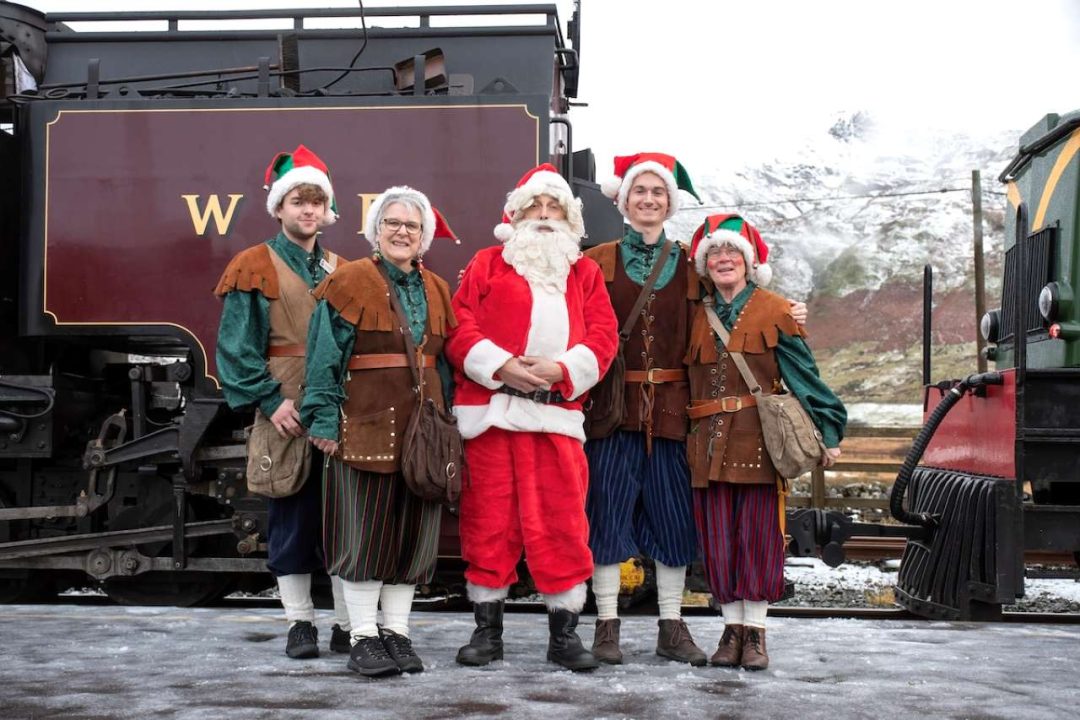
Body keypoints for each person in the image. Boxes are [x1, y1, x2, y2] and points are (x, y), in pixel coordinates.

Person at [584, 153, 809, 666]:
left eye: (657, 192)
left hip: (674, 414)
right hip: (612, 410)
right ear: (622, 199)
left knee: (673, 523)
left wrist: (790, 310)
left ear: (670, 202)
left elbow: (740, 299)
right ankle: (605, 627)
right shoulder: (594, 261)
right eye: (639, 190)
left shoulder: (691, 263)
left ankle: (671, 626)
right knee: (607, 517)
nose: (648, 199)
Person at [446, 164, 619, 672]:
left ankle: (563, 637)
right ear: (515, 216)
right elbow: (459, 327)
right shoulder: (486, 264)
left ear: (569, 219)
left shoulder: (584, 272)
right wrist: (499, 366)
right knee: (488, 522)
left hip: (555, 420)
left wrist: (561, 368)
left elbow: (603, 338)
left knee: (561, 524)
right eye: (534, 209)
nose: (544, 218)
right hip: (493, 418)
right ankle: (487, 633)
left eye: (554, 210)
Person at [299, 186, 457, 678]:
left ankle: (397, 632)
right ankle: (363, 636)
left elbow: (445, 365)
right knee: (364, 535)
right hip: (362, 426)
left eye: (412, 225)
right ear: (375, 230)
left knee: (412, 538)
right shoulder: (348, 281)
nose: (402, 232)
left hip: (423, 433)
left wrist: (449, 424)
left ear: (425, 236)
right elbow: (323, 357)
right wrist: (322, 419)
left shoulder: (437, 288)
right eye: (392, 223)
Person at [685, 214, 846, 671]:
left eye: (732, 252)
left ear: (749, 261)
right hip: (707, 447)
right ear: (704, 264)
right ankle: (730, 631)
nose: (723, 259)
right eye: (714, 254)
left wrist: (828, 429)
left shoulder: (776, 310)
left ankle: (755, 635)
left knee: (757, 538)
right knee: (718, 540)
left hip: (759, 442)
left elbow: (804, 376)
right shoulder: (696, 314)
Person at [214, 144, 351, 660]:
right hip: (285, 411)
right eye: (298, 200)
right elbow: (235, 349)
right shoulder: (254, 264)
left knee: (344, 518)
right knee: (291, 517)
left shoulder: (345, 268)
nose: (308, 210)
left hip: (337, 411)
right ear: (279, 207)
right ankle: (299, 623)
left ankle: (346, 623)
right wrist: (272, 401)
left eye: (316, 201)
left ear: (327, 208)